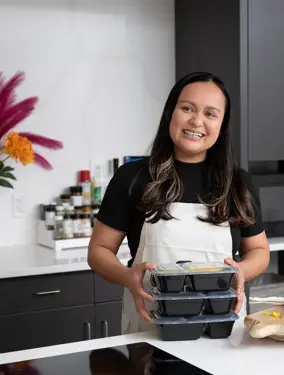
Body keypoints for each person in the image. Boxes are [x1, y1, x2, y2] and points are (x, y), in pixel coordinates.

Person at [88, 71, 270, 334]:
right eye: (187, 108)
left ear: (221, 125)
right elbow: (99, 250)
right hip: (150, 329)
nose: (196, 121)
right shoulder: (133, 177)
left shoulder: (237, 183)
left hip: (221, 329)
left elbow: (259, 251)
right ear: (170, 113)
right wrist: (128, 276)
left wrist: (240, 271)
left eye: (210, 114)